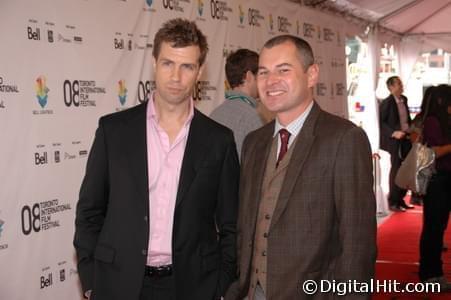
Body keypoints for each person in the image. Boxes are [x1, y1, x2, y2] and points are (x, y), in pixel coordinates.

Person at [74, 18, 239, 300]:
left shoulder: (219, 140)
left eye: (187, 66)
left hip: (192, 287)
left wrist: (219, 285)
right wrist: (92, 281)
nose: (176, 76)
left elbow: (232, 224)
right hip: (118, 284)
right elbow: (89, 212)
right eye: (168, 63)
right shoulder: (113, 131)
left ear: (199, 71)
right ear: (154, 63)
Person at [225, 35, 376, 300]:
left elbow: (357, 243)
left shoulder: (344, 139)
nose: (271, 81)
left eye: (283, 70)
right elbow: (247, 225)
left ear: (312, 74)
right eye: (263, 72)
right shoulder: (254, 142)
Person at [419, 84, 451, 289]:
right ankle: (431, 273)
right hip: (437, 181)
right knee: (433, 229)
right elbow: (435, 152)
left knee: (439, 228)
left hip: (447, 179)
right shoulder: (432, 122)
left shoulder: (445, 121)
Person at [210, 49, 264, 158]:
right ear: (249, 76)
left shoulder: (215, 113)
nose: (264, 81)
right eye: (261, 75)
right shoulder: (252, 118)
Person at [379, 76, 414, 212]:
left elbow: (406, 119)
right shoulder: (387, 102)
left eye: (401, 83)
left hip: (406, 137)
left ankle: (401, 199)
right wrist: (393, 132)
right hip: (395, 140)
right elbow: (382, 122)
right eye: (398, 84)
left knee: (407, 169)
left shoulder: (404, 99)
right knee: (396, 169)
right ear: (391, 87)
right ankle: (393, 200)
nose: (401, 85)